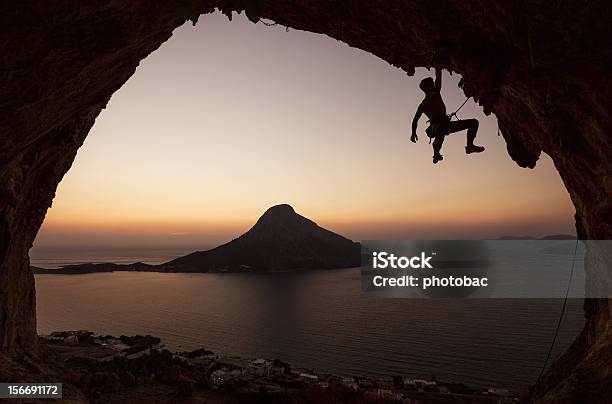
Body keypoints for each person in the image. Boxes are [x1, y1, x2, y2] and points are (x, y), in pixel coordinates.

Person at [411, 68, 484, 164]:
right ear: (425, 89)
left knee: (474, 123)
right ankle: (436, 153)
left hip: (447, 125)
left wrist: (438, 66)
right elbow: (415, 120)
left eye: (433, 85)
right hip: (436, 126)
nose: (433, 87)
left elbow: (438, 77)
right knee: (440, 130)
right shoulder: (423, 105)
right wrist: (413, 133)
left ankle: (469, 146)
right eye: (431, 86)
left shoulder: (437, 93)